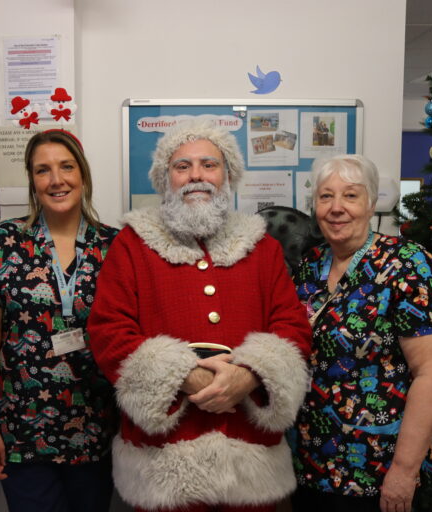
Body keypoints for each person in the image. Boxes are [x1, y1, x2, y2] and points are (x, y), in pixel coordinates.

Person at [87, 119, 313, 512]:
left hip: (249, 457)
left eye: (209, 164)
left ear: (227, 175)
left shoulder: (262, 247)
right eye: (182, 166)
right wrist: (188, 378)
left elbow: (292, 326)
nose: (196, 176)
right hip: (163, 462)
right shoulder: (131, 244)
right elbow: (109, 330)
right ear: (165, 178)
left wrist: (247, 377)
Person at [289, 154, 432, 512]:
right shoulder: (308, 267)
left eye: (350, 196)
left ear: (370, 204)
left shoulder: (407, 263)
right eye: (325, 197)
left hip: (378, 472)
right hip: (310, 466)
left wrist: (403, 471)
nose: (336, 208)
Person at [0, 129, 119, 512]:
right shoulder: (7, 240)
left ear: (82, 174)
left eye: (66, 167)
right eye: (43, 170)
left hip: (96, 428)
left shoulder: (113, 246)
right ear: (32, 182)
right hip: (23, 431)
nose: (56, 180)